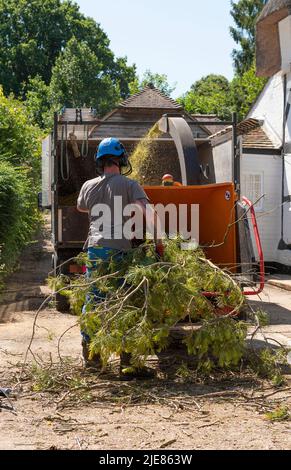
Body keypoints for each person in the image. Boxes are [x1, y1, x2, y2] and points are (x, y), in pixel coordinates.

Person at [77, 137, 163, 379]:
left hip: (95, 251)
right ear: (122, 160)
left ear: (100, 162)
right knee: (125, 302)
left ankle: (93, 360)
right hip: (120, 252)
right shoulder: (129, 184)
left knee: (94, 302)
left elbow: (81, 207)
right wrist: (159, 242)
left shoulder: (88, 186)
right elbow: (148, 213)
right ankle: (127, 364)